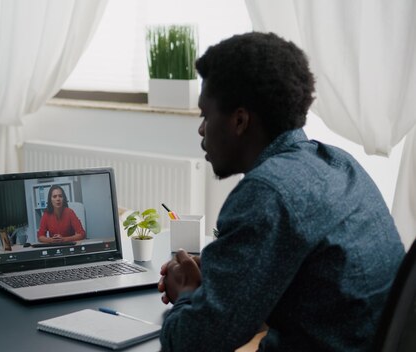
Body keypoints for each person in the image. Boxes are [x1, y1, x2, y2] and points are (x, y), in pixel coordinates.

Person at [158, 32, 405, 351]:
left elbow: (191, 343)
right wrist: (224, 270)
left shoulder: (267, 191)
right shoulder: (340, 164)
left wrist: (187, 293)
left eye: (206, 115)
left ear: (240, 120)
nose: (201, 129)